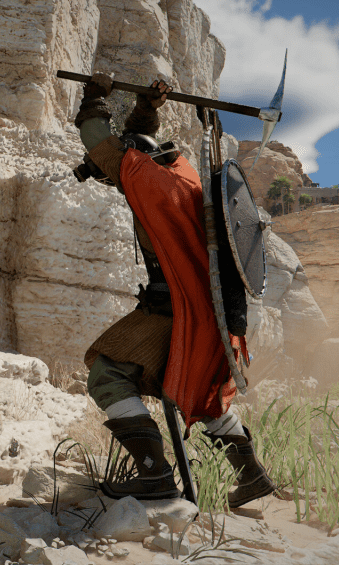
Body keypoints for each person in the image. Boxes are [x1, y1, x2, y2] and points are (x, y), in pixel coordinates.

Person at [73, 73, 275, 507]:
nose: (117, 182)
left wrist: (94, 98)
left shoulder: (147, 184)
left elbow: (101, 142)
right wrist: (147, 108)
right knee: (203, 392)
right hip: (215, 312)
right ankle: (251, 476)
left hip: (175, 307)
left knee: (107, 371)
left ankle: (155, 475)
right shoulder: (181, 177)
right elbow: (136, 145)